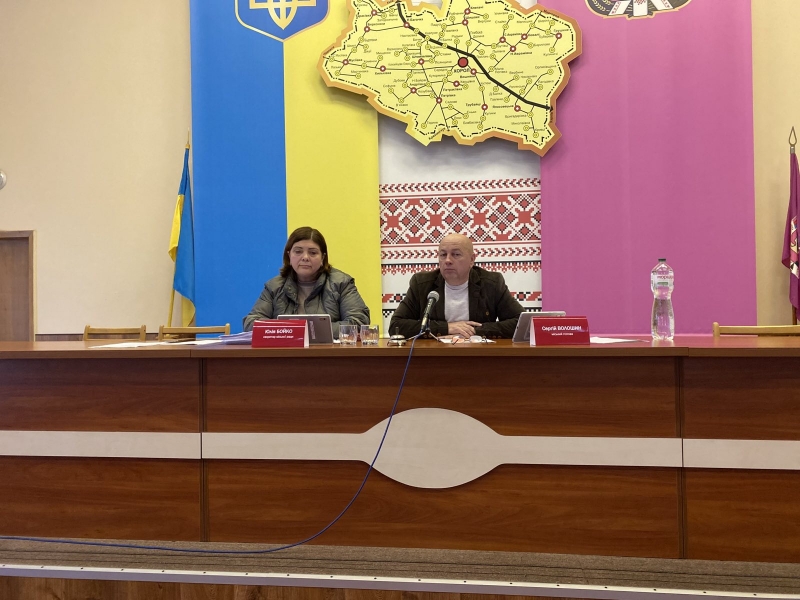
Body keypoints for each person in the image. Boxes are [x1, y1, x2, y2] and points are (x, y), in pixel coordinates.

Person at [389, 233, 523, 339]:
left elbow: (520, 323)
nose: (447, 260)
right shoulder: (422, 284)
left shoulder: (491, 283)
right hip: (435, 356)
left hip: (479, 356)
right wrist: (447, 328)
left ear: (472, 260)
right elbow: (396, 326)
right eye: (443, 255)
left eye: (456, 254)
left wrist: (473, 331)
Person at [243, 227, 370, 337]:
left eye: (313, 253)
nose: (305, 257)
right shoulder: (274, 286)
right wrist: (293, 330)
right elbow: (251, 323)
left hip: (329, 354)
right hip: (286, 354)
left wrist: (304, 330)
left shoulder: (341, 283)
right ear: (289, 256)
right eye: (298, 251)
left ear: (322, 258)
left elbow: (359, 322)